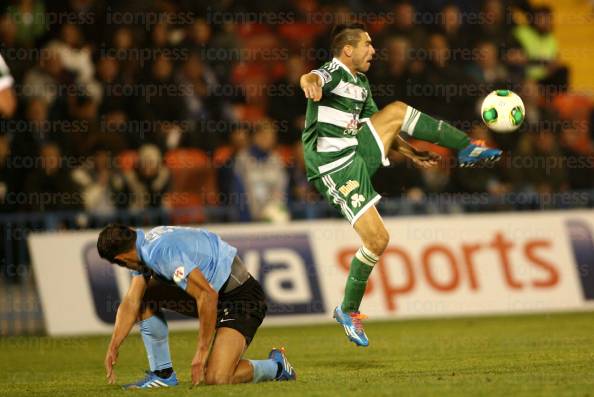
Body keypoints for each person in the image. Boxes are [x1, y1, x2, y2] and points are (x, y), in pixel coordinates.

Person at [299, 23, 502, 347]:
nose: (373, 50)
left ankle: (465, 146)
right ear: (348, 50)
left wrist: (412, 151)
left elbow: (384, 126)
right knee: (378, 240)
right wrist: (308, 81)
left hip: (356, 151)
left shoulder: (361, 82)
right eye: (367, 44)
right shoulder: (333, 72)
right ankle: (348, 310)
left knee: (396, 111)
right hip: (333, 167)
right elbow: (313, 77)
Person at [97, 224, 296, 389]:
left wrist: (200, 353)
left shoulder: (159, 252)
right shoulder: (144, 248)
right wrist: (114, 344)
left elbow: (207, 295)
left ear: (121, 260)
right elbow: (131, 301)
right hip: (217, 293)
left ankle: (277, 366)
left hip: (241, 298)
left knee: (216, 378)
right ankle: (163, 375)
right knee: (143, 296)